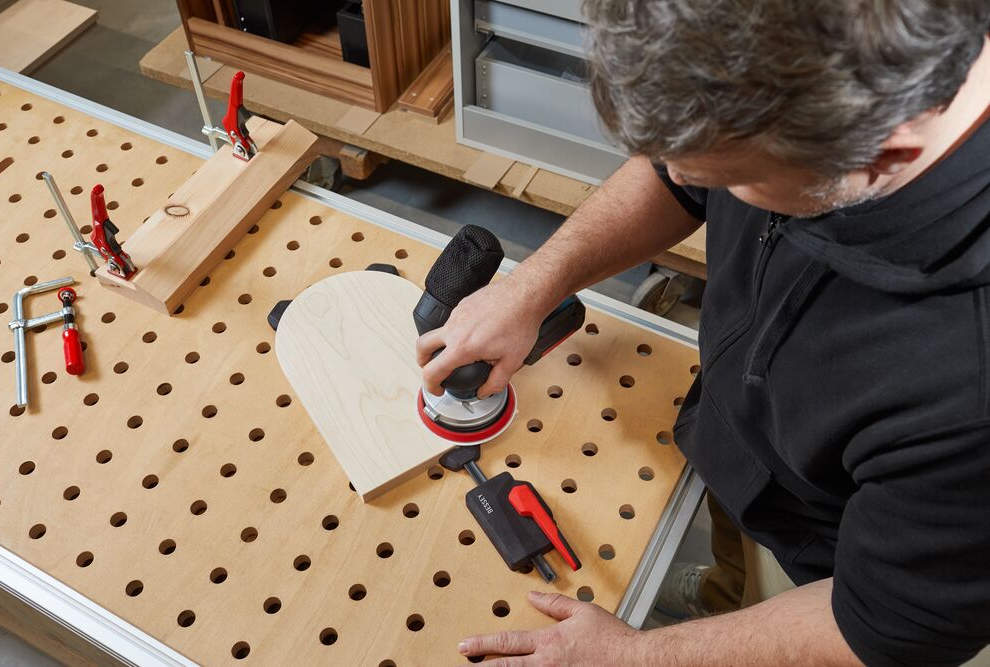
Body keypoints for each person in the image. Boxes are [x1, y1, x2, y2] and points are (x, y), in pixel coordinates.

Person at [416, 1, 990, 665]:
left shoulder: (968, 385)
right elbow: (680, 173)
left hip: (832, 567)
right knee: (733, 563)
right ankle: (726, 587)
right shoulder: (812, 91)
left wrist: (636, 655)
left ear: (882, 154)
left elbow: (875, 625)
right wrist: (532, 284)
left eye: (726, 177)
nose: (679, 174)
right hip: (752, 446)